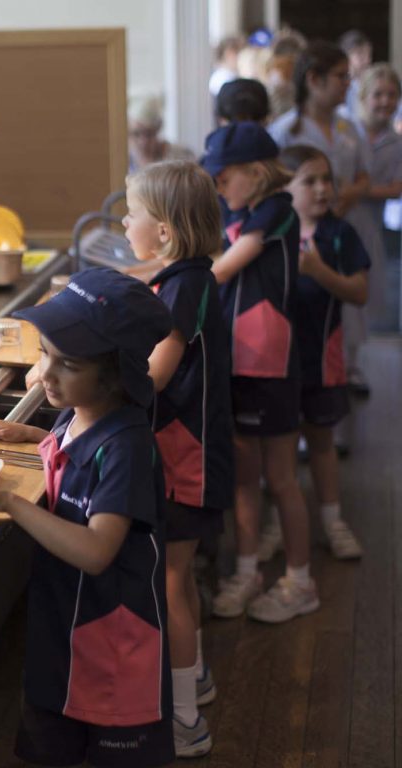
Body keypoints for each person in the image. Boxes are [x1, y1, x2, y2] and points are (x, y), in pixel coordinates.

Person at [0, 267, 176, 768]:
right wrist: (34, 438)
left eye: (66, 362)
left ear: (114, 373)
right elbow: (68, 451)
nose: (45, 372)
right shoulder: (76, 414)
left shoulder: (127, 448)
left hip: (111, 648)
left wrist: (10, 504)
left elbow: (97, 551)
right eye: (46, 352)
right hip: (60, 633)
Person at [123, 161, 233, 757]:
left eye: (132, 212)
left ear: (162, 231)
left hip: (187, 461)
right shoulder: (186, 277)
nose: (123, 219)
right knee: (179, 577)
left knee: (169, 582)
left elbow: (155, 377)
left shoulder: (185, 286)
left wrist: (97, 377)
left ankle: (186, 719)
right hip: (194, 454)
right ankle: (197, 680)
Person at [201, 122, 319, 623]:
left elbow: (221, 269)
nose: (219, 186)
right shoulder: (241, 208)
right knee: (245, 477)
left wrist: (145, 278)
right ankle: (248, 571)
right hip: (238, 359)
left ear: (255, 171)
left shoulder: (276, 211)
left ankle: (300, 580)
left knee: (281, 478)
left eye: (224, 177)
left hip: (269, 362)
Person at [268, 39, 373, 397]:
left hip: (345, 222)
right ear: (314, 80)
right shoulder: (286, 131)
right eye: (341, 77)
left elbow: (364, 175)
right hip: (304, 229)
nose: (348, 83)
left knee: (351, 299)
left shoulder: (348, 128)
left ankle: (348, 368)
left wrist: (347, 195)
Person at [279, 145, 368, 558]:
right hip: (275, 362)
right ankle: (276, 525)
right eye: (309, 181)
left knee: (321, 439)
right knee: (278, 448)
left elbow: (360, 291)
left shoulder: (339, 234)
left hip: (322, 357)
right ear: (285, 187)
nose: (322, 189)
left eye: (327, 179)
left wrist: (319, 271)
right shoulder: (276, 233)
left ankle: (332, 520)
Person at [354, 64, 402, 331]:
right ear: (364, 98)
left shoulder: (396, 144)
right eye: (378, 94)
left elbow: (396, 188)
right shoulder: (347, 132)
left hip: (373, 224)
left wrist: (356, 189)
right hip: (344, 219)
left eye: (392, 95)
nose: (385, 101)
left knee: (371, 289)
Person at [128, 94, 194, 171]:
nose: (143, 141)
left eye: (149, 134)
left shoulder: (181, 158)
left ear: (157, 130)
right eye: (136, 134)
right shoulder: (122, 161)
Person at [338, 29, 373, 120]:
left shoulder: (375, 83)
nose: (367, 60)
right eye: (360, 54)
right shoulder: (340, 86)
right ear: (345, 57)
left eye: (368, 54)